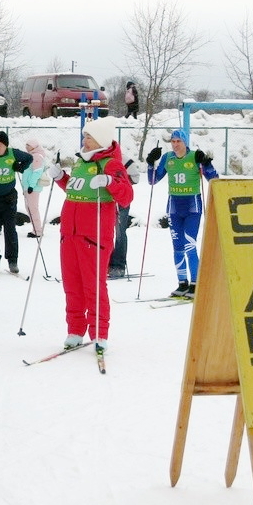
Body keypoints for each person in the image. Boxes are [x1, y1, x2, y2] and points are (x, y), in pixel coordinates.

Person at [48, 116, 133, 350]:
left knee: (93, 285)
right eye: (85, 136)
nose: (84, 140)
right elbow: (77, 190)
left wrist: (109, 181)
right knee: (72, 284)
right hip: (70, 234)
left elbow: (126, 196)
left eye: (89, 137)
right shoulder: (80, 162)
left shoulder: (111, 164)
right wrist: (60, 178)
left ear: (101, 141)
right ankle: (75, 330)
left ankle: (99, 333)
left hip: (94, 236)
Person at [146, 128, 218, 298]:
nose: (176, 144)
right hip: (174, 207)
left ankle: (195, 283)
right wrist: (150, 163)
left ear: (185, 142)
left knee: (189, 245)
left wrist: (206, 163)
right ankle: (182, 283)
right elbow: (152, 180)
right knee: (177, 247)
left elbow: (214, 180)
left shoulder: (195, 156)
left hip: (192, 206)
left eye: (179, 141)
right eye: (173, 141)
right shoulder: (167, 158)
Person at [0, 130, 32, 275]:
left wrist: (20, 166)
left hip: (9, 198)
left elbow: (29, 158)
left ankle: (12, 260)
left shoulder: (13, 153)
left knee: (10, 229)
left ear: (5, 145)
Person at [108, 157, 141, 279]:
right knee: (104, 232)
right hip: (104, 201)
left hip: (121, 200)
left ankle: (118, 266)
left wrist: (121, 183)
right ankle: (105, 263)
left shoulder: (123, 159)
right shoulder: (97, 158)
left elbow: (136, 178)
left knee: (120, 232)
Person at [20, 138, 47, 238]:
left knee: (33, 209)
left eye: (29, 145)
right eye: (26, 145)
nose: (27, 147)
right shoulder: (31, 156)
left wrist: (31, 186)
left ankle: (37, 231)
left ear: (34, 146)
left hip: (33, 188)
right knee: (29, 208)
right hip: (28, 187)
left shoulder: (36, 157)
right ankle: (36, 229)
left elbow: (37, 172)